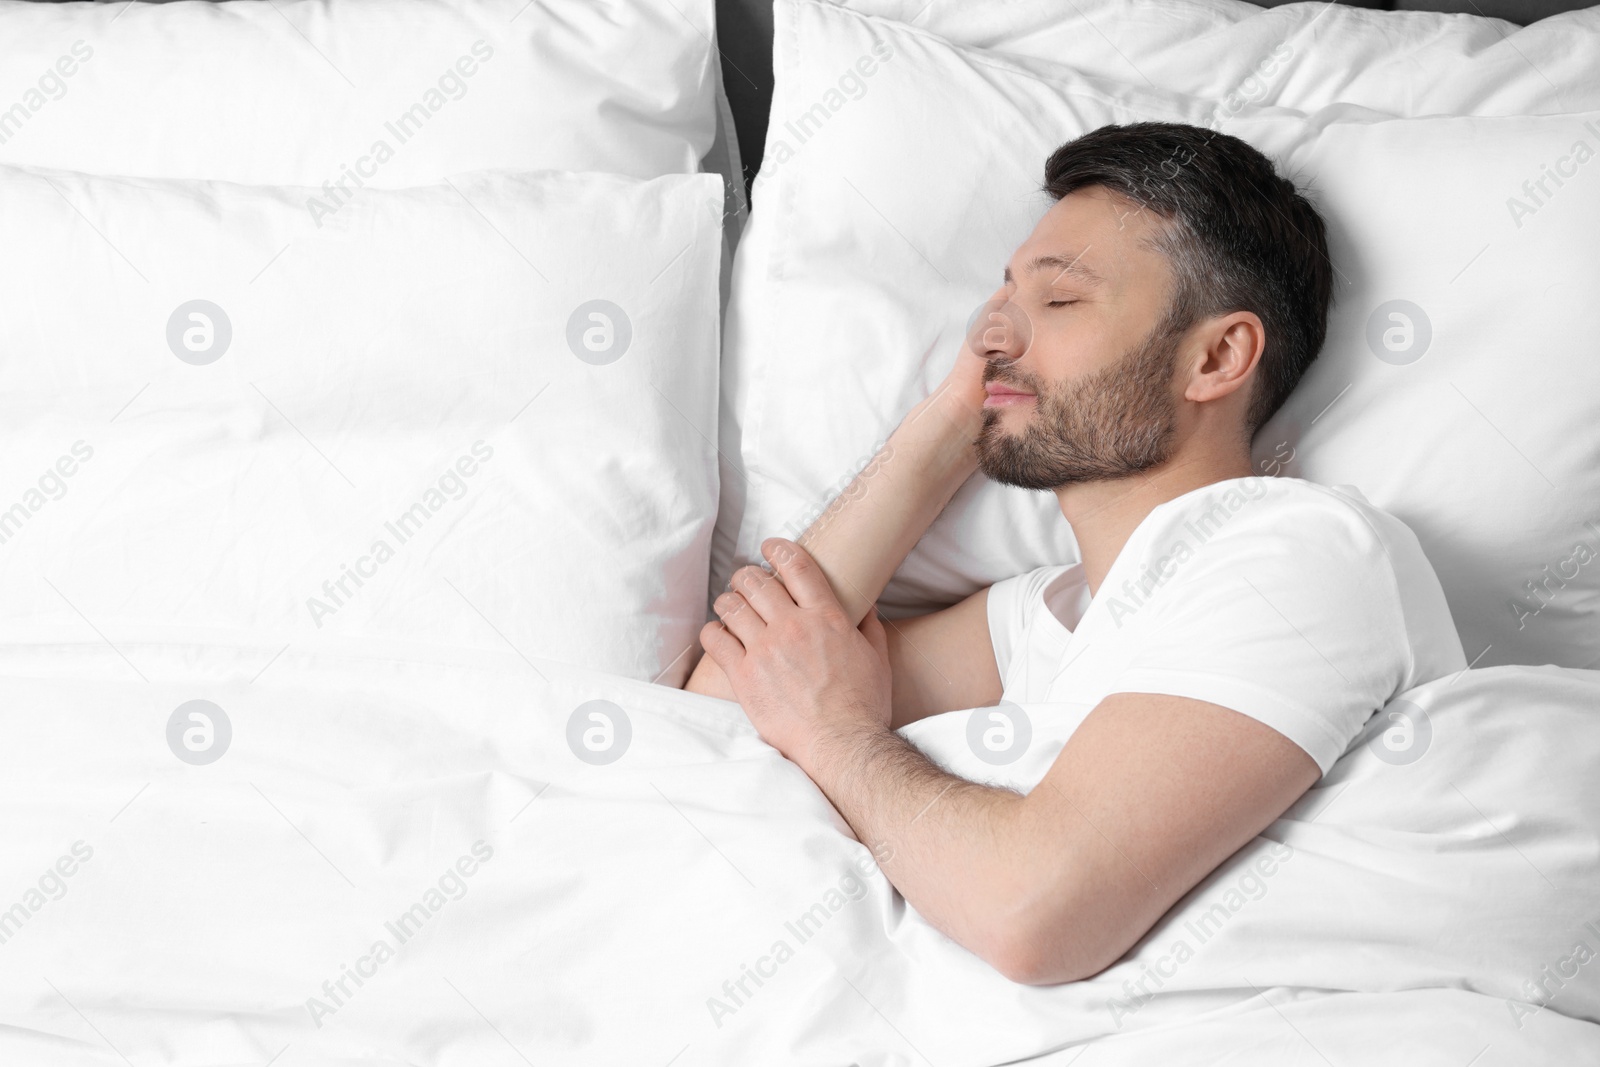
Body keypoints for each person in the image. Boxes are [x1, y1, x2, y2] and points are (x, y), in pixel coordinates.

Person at [682, 122, 1466, 985]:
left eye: (1059, 302)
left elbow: (1037, 915)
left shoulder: (1304, 552)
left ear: (1215, 356)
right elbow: (718, 711)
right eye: (1002, 298)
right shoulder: (1050, 614)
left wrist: (837, 736)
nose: (996, 330)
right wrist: (955, 419)